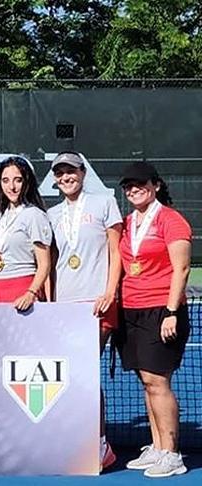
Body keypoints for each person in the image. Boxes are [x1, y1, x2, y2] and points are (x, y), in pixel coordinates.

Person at [46, 151, 123, 471]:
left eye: (71, 171)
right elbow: (49, 261)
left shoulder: (105, 203)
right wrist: (50, 301)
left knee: (86, 373)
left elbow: (116, 251)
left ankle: (100, 443)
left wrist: (109, 292)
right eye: (60, 172)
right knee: (70, 376)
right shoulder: (50, 214)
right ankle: (76, 439)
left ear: (82, 172)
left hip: (96, 303)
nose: (66, 177)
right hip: (64, 305)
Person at [116, 161, 190, 478]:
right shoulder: (127, 222)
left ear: (155, 186)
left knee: (158, 381)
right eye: (128, 186)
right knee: (146, 382)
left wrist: (171, 312)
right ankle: (158, 446)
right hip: (130, 310)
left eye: (140, 184)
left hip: (161, 309)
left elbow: (182, 269)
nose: (133, 189)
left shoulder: (171, 221)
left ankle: (172, 454)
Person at [0, 156, 52, 310]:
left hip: (23, 286)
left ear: (27, 182)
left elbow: (44, 263)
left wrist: (31, 293)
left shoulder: (34, 215)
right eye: (5, 180)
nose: (12, 187)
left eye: (18, 180)